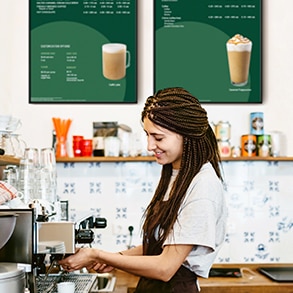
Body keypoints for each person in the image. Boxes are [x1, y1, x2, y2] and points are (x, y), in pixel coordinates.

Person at [59, 87, 227, 292]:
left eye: (158, 137)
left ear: (185, 135)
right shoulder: (177, 174)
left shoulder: (203, 185)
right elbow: (160, 246)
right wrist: (117, 258)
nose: (149, 145)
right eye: (147, 135)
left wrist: (97, 255)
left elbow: (165, 267)